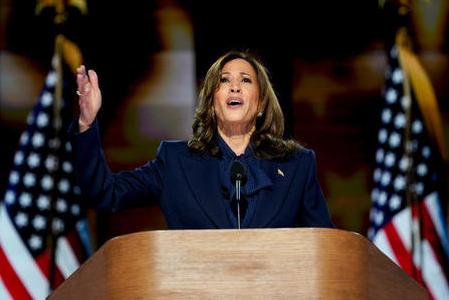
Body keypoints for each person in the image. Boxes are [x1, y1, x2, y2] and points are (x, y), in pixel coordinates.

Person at [70, 51, 334, 229]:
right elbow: (106, 194)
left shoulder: (297, 165)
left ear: (262, 102)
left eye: (245, 80)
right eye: (224, 81)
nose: (235, 86)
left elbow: (325, 248)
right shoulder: (175, 163)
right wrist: (86, 124)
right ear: (210, 102)